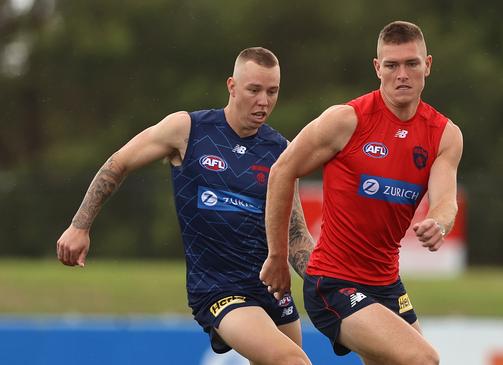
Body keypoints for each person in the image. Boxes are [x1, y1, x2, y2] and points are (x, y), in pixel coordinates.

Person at [57, 47, 314, 365]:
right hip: (220, 289)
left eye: (272, 91)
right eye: (254, 90)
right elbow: (118, 163)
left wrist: (326, 279)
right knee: (294, 362)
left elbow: (296, 233)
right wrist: (80, 225)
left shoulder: (281, 150)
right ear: (232, 86)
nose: (264, 101)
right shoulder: (187, 130)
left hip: (272, 287)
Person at [261, 21, 463, 365]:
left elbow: (445, 201)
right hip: (334, 283)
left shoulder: (444, 134)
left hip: (387, 284)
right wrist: (279, 256)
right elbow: (282, 171)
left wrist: (439, 223)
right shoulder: (346, 120)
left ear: (427, 65)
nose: (402, 74)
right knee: (422, 358)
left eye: (411, 64)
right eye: (392, 65)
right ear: (377, 68)